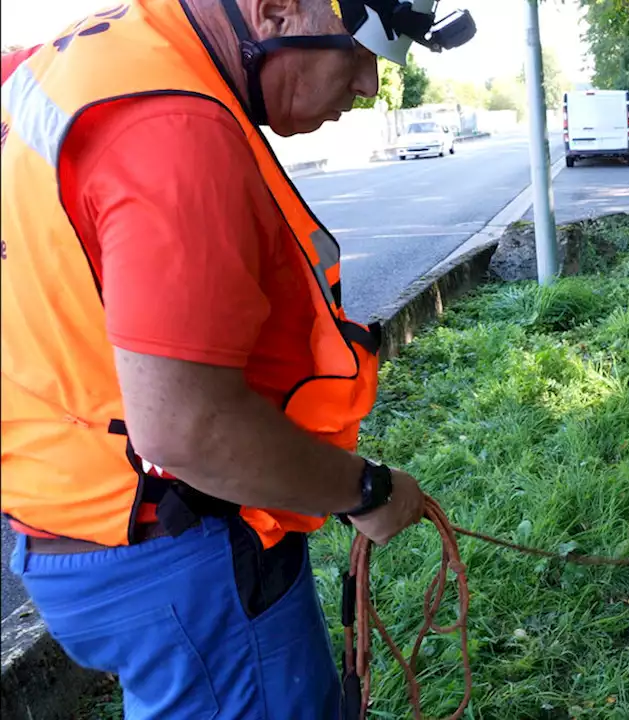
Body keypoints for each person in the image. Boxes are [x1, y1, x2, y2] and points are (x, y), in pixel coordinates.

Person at [0, 0, 473, 717]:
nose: (372, 85)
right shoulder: (173, 127)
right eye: (366, 49)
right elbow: (186, 429)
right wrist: (364, 490)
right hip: (179, 556)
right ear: (278, 9)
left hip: (63, 535)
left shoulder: (80, 61)